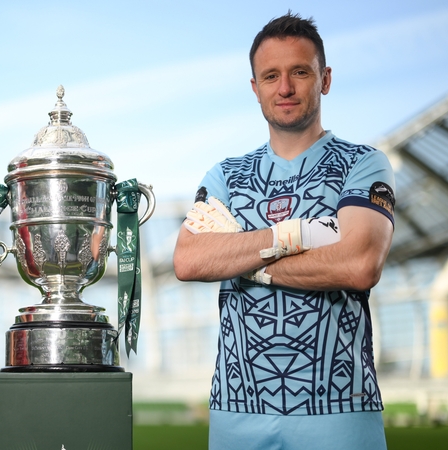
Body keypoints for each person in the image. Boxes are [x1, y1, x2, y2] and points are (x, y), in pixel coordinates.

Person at [173, 13, 395, 450]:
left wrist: (242, 259)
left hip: (340, 409)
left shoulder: (363, 164)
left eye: (300, 72)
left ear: (325, 79)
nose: (285, 88)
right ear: (255, 88)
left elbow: (359, 264)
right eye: (271, 76)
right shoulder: (225, 176)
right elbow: (189, 260)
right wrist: (299, 235)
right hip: (236, 410)